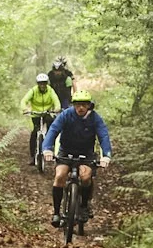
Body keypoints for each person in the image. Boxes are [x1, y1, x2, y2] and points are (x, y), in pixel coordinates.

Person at [42, 89, 111, 226]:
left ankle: (84, 206)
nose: (80, 108)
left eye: (84, 105)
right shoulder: (66, 115)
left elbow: (103, 136)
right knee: (60, 176)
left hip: (86, 153)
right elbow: (53, 130)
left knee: (85, 177)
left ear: (89, 106)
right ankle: (56, 212)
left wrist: (106, 155)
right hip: (66, 151)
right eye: (77, 104)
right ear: (73, 105)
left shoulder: (95, 118)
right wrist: (47, 149)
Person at [20, 72, 60, 165]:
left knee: (52, 129)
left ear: (47, 83)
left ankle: (50, 147)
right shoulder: (33, 91)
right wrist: (25, 109)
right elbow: (24, 101)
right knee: (34, 133)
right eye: (40, 83)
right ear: (37, 84)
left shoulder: (50, 90)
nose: (42, 85)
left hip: (47, 113)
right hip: (36, 114)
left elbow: (56, 101)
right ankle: (33, 156)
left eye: (44, 83)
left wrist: (56, 108)